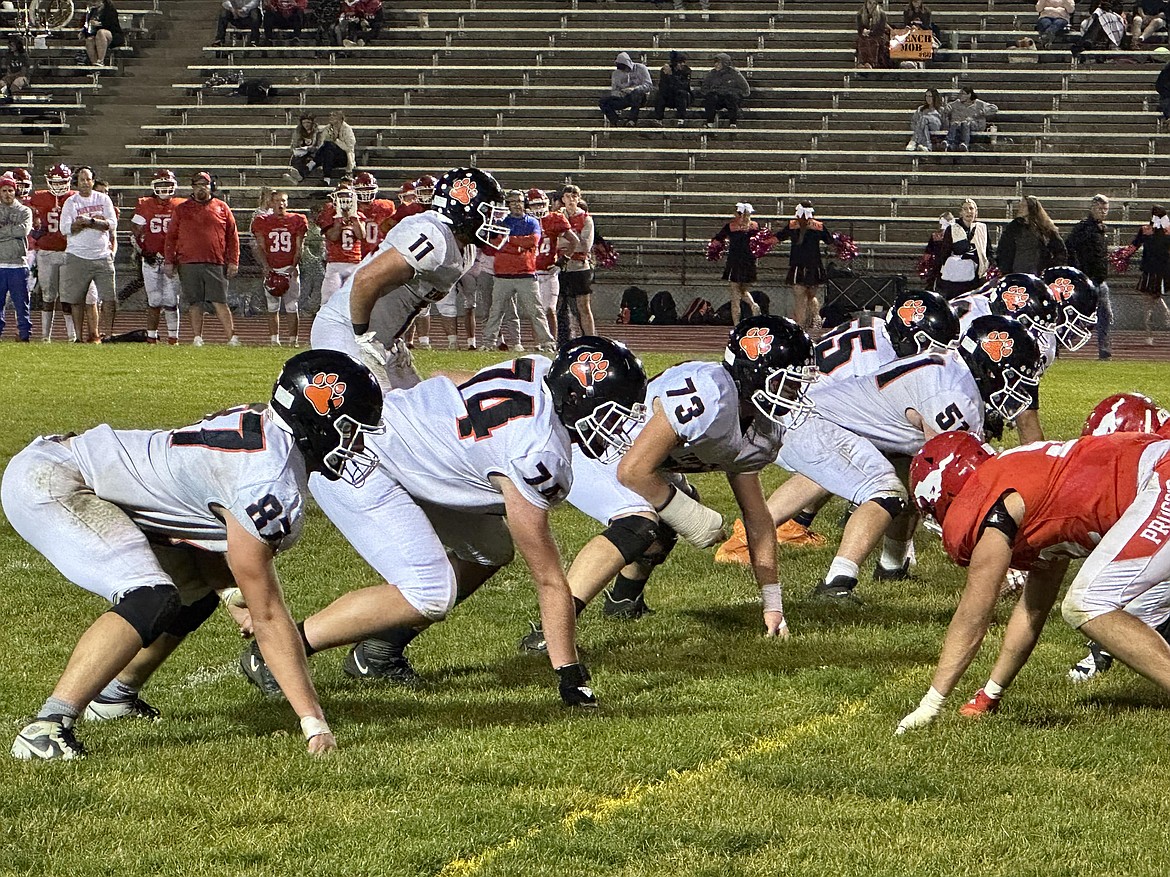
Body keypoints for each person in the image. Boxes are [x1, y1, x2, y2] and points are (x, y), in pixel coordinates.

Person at [5, 350, 384, 760]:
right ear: (317, 421)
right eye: (351, 429)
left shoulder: (265, 429)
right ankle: (46, 727)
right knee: (149, 595)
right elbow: (269, 615)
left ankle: (114, 697)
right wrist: (313, 722)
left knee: (192, 593)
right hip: (56, 482)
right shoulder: (270, 485)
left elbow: (203, 528)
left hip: (73, 468)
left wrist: (229, 594)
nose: (358, 443)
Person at [241, 339, 647, 705]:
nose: (621, 426)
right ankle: (277, 648)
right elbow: (547, 577)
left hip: (406, 443)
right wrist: (568, 672)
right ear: (577, 399)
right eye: (616, 412)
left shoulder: (539, 368)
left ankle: (378, 651)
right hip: (361, 458)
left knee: (491, 551)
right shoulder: (540, 454)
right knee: (428, 592)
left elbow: (450, 378)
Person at [897, 429, 1170, 733]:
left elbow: (972, 617)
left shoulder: (994, 506)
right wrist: (990, 693)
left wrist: (931, 703)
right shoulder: (1031, 494)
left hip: (1161, 477)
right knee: (1088, 600)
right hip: (1157, 470)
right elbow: (1033, 609)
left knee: (1088, 603)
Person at [311, 166, 507, 390]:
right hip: (346, 329)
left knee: (416, 413)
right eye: (489, 212)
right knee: (380, 417)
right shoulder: (433, 235)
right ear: (465, 210)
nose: (495, 222)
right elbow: (366, 278)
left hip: (383, 340)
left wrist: (388, 338)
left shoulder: (465, 250)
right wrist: (362, 337)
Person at [163, 171, 241, 348]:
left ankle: (231, 336)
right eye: (197, 185)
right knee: (195, 301)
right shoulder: (182, 209)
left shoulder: (222, 207)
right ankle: (197, 337)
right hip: (188, 261)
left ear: (211, 186)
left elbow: (232, 236)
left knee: (219, 300)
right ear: (192, 187)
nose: (201, 189)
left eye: (204, 185)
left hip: (215, 260)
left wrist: (233, 260)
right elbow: (171, 237)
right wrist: (169, 260)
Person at [485, 189, 554, 353]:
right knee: (496, 311)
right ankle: (488, 342)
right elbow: (495, 244)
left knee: (536, 311)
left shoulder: (532, 222)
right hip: (503, 274)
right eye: (513, 201)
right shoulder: (501, 222)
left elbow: (532, 241)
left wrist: (509, 241)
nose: (517, 204)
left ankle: (547, 343)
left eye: (520, 201)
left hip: (526, 273)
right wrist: (518, 244)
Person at [58, 166, 117, 344]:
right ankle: (78, 336)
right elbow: (65, 228)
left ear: (93, 181)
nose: (85, 183)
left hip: (101, 254)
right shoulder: (71, 202)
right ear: (77, 182)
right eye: (82, 179)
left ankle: (108, 334)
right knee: (77, 299)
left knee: (109, 297)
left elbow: (111, 224)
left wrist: (89, 222)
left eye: (88, 179)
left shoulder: (103, 199)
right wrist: (91, 224)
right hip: (77, 254)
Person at [130, 170, 184, 345]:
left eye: (167, 185)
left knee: (171, 299)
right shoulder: (145, 204)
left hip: (172, 260)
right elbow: (135, 231)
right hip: (151, 259)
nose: (164, 189)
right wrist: (142, 250)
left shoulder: (180, 205)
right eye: (160, 185)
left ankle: (173, 338)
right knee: (154, 300)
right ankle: (151, 337)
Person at [251, 189, 309, 346]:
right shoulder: (262, 221)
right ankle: (274, 340)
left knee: (291, 306)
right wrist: (266, 266)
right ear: (271, 203)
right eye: (277, 201)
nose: (280, 204)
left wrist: (293, 266)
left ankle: (292, 340)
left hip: (289, 267)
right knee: (272, 307)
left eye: (283, 201)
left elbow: (299, 247)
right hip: (272, 268)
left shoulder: (297, 219)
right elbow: (260, 247)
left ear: (287, 202)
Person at [29, 164, 76, 342]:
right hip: (46, 251)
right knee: (47, 295)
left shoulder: (74, 198)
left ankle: (72, 336)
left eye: (62, 182)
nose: (58, 186)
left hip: (68, 251)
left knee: (67, 296)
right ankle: (45, 336)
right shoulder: (39, 197)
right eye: (54, 182)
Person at [771, 201, 833, 329]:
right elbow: (830, 241)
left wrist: (762, 242)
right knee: (811, 296)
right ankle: (816, 318)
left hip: (798, 265)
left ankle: (801, 326)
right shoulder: (819, 226)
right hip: (813, 265)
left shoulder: (792, 225)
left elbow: (777, 238)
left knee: (800, 299)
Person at [1065, 194, 1111, 359]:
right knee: (1080, 316)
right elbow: (1069, 247)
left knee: (1105, 316)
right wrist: (1078, 270)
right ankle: (1061, 343)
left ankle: (1104, 351)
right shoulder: (1083, 228)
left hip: (1100, 280)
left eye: (1105, 209)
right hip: (1087, 280)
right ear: (1092, 207)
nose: (1103, 212)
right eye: (1100, 208)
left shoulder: (1102, 228)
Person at [529, 186, 577, 342]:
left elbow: (574, 241)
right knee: (536, 312)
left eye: (541, 204)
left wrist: (562, 261)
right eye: (535, 205)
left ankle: (551, 342)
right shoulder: (524, 222)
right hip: (529, 272)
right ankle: (539, 343)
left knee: (549, 309)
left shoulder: (554, 219)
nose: (539, 208)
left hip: (549, 271)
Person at [710, 202, 763, 324]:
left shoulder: (731, 226)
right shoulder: (755, 226)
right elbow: (760, 242)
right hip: (749, 261)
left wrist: (714, 246)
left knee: (735, 296)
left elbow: (718, 239)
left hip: (735, 261)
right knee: (743, 290)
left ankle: (736, 324)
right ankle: (753, 304)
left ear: (737, 213)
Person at [556, 184, 596, 347]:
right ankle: (561, 339)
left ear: (579, 199)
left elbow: (585, 245)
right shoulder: (557, 217)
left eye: (574, 196)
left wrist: (567, 244)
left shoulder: (586, 218)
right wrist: (572, 242)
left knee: (583, 306)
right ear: (563, 199)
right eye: (567, 196)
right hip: (560, 266)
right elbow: (554, 242)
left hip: (579, 266)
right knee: (558, 305)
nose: (571, 200)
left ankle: (591, 339)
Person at [316, 182, 365, 306]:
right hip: (335, 263)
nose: (344, 199)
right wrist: (338, 220)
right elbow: (332, 236)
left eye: (346, 195)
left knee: (353, 303)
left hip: (354, 262)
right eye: (341, 195)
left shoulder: (358, 215)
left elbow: (361, 235)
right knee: (328, 302)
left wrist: (354, 219)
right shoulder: (329, 214)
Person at [996, 195, 1068, 275]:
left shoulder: (1045, 227)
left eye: (1023, 206)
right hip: (1016, 272)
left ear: (1031, 208)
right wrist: (1004, 269)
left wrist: (1050, 268)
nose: (1020, 208)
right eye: (1020, 206)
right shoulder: (1013, 227)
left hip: (1038, 272)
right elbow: (1003, 249)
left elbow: (1060, 250)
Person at [1130, 205, 1170, 345]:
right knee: (1153, 299)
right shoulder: (1167, 231)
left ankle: (1149, 335)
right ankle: (1165, 315)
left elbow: (1133, 246)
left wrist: (1121, 256)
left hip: (1150, 272)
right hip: (1163, 272)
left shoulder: (1146, 230)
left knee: (1148, 305)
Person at [936, 198, 990, 297]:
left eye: (971, 208)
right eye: (965, 209)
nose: (969, 212)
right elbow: (944, 253)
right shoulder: (952, 229)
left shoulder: (982, 228)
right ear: (961, 212)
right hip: (957, 278)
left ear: (976, 212)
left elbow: (987, 251)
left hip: (977, 276)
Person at [0, 173, 32, 341]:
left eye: (10, 190)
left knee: (22, 305)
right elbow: (17, 231)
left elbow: (23, 231)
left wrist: (4, 231)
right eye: (4, 190)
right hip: (0, 264)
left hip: (18, 265)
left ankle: (25, 335)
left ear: (15, 191)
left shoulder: (24, 211)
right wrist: (13, 231)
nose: (7, 194)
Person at [599, 51, 652, 127]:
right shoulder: (616, 74)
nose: (624, 70)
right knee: (603, 101)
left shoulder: (641, 68)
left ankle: (632, 120)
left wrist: (634, 89)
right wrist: (619, 94)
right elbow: (614, 90)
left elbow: (649, 85)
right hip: (625, 97)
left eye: (625, 68)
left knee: (636, 93)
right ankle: (616, 121)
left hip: (640, 96)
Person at [352, 171, 396, 258]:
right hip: (356, 254)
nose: (365, 193)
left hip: (379, 252)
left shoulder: (385, 206)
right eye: (362, 190)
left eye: (368, 189)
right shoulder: (351, 208)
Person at [700, 53, 750, 128]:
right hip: (717, 99)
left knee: (731, 97)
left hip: (730, 99)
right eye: (715, 62)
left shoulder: (735, 73)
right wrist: (713, 91)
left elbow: (746, 90)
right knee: (711, 98)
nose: (716, 65)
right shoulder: (711, 74)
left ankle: (733, 123)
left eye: (718, 63)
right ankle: (710, 122)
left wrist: (734, 92)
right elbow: (704, 89)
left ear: (725, 63)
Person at [309, 110, 355, 186]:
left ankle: (313, 163)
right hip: (330, 157)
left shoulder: (347, 129)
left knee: (329, 144)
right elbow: (321, 144)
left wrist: (336, 141)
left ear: (340, 118)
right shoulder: (328, 128)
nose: (330, 117)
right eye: (330, 115)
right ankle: (326, 179)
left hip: (344, 158)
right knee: (327, 149)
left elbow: (349, 148)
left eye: (334, 115)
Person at [944, 87, 997, 152]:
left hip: (975, 125)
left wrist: (982, 112)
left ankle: (965, 143)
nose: (960, 96)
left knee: (966, 123)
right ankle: (948, 142)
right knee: (956, 123)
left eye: (963, 94)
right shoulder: (957, 103)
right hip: (961, 126)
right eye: (960, 94)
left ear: (969, 95)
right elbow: (948, 106)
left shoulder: (978, 103)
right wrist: (947, 108)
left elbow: (994, 108)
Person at [653, 51, 692, 125]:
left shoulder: (686, 71)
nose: (682, 64)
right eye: (679, 63)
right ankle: (658, 119)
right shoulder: (665, 70)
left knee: (681, 93)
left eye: (683, 62)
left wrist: (671, 76)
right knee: (660, 95)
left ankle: (681, 119)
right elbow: (663, 86)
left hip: (682, 97)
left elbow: (684, 86)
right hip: (669, 96)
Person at [81, 1, 124, 66]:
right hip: (96, 35)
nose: (94, 3)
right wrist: (84, 32)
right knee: (89, 40)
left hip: (112, 34)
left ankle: (101, 60)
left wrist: (99, 24)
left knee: (101, 33)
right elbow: (87, 24)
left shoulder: (110, 10)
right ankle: (94, 65)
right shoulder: (92, 11)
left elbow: (112, 25)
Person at [283, 114, 319, 184]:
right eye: (304, 123)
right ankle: (295, 176)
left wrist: (310, 148)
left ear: (312, 123)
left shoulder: (318, 132)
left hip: (313, 153)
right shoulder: (298, 131)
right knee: (297, 157)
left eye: (308, 122)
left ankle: (299, 177)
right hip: (302, 152)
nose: (306, 125)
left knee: (309, 161)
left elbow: (319, 146)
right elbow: (293, 145)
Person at [856, 0, 892, 68]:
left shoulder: (881, 14)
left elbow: (880, 30)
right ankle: (862, 62)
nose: (872, 5)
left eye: (874, 3)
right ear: (866, 3)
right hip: (865, 35)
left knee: (873, 41)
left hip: (878, 36)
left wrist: (870, 32)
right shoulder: (860, 14)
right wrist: (863, 31)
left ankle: (872, 63)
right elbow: (859, 29)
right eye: (870, 3)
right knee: (862, 40)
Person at [1, 36, 30, 100]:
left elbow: (23, 73)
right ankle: (4, 100)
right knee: (1, 83)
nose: (10, 47)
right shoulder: (8, 55)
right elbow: (8, 70)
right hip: (11, 76)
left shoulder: (23, 56)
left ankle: (15, 101)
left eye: (12, 45)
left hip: (22, 77)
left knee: (15, 84)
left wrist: (12, 76)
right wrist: (8, 77)